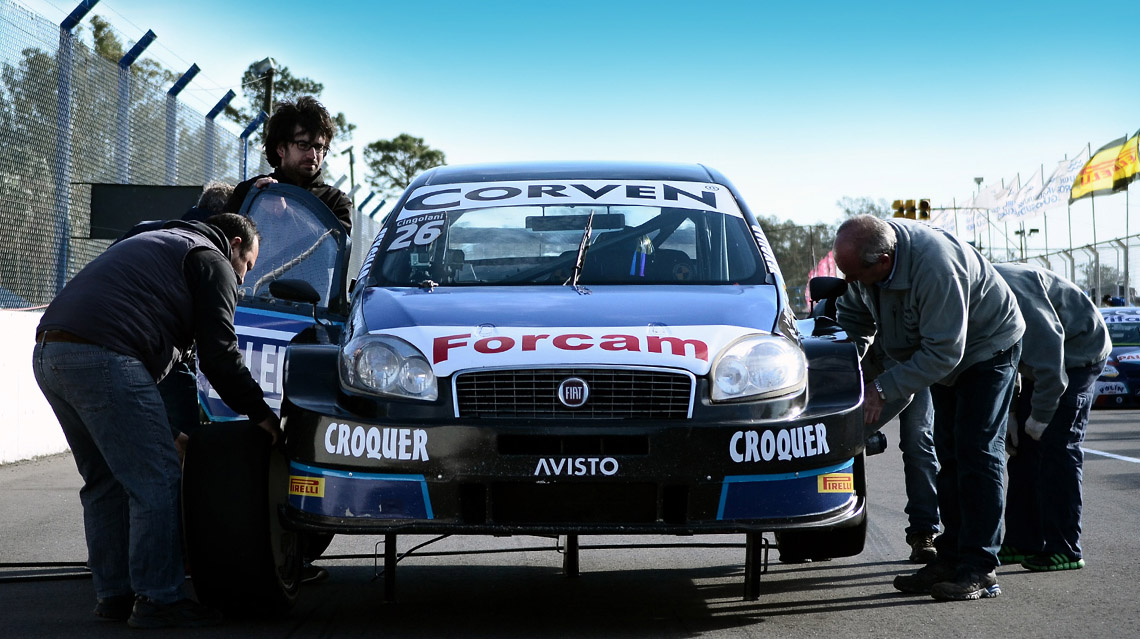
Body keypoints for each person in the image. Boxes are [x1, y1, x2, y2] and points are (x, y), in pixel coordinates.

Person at [33, 213, 279, 628]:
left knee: (105, 479)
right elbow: (220, 356)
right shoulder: (213, 260)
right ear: (235, 243)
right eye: (248, 267)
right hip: (104, 352)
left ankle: (115, 593)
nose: (242, 281)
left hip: (49, 351)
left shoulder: (157, 238)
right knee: (159, 478)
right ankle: (159, 599)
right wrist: (263, 415)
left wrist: (164, 429)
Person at [833, 215, 1024, 601]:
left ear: (883, 262)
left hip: (985, 350)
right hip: (938, 354)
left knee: (977, 452)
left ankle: (980, 569)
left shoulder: (936, 267)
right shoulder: (865, 268)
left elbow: (944, 352)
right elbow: (854, 317)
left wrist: (882, 388)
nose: (852, 283)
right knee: (949, 453)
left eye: (856, 275)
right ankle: (949, 557)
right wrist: (844, 367)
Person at [994, 263, 1110, 572]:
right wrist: (1015, 412)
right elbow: (1006, 356)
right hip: (1042, 362)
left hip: (1078, 353)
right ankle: (1022, 541)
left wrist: (1038, 419)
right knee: (1024, 453)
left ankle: (1065, 549)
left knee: (1058, 448)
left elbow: (1050, 366)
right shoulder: (971, 292)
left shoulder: (1011, 293)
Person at [117, 181, 236, 440]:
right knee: (182, 438)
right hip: (160, 347)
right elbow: (217, 345)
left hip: (108, 339)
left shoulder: (147, 229)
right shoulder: (209, 250)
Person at [224, 96, 353, 236]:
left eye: (318, 147)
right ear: (281, 149)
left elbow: (332, 248)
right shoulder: (251, 191)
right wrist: (255, 201)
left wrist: (285, 213)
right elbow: (222, 240)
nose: (312, 155)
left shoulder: (336, 202)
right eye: (303, 145)